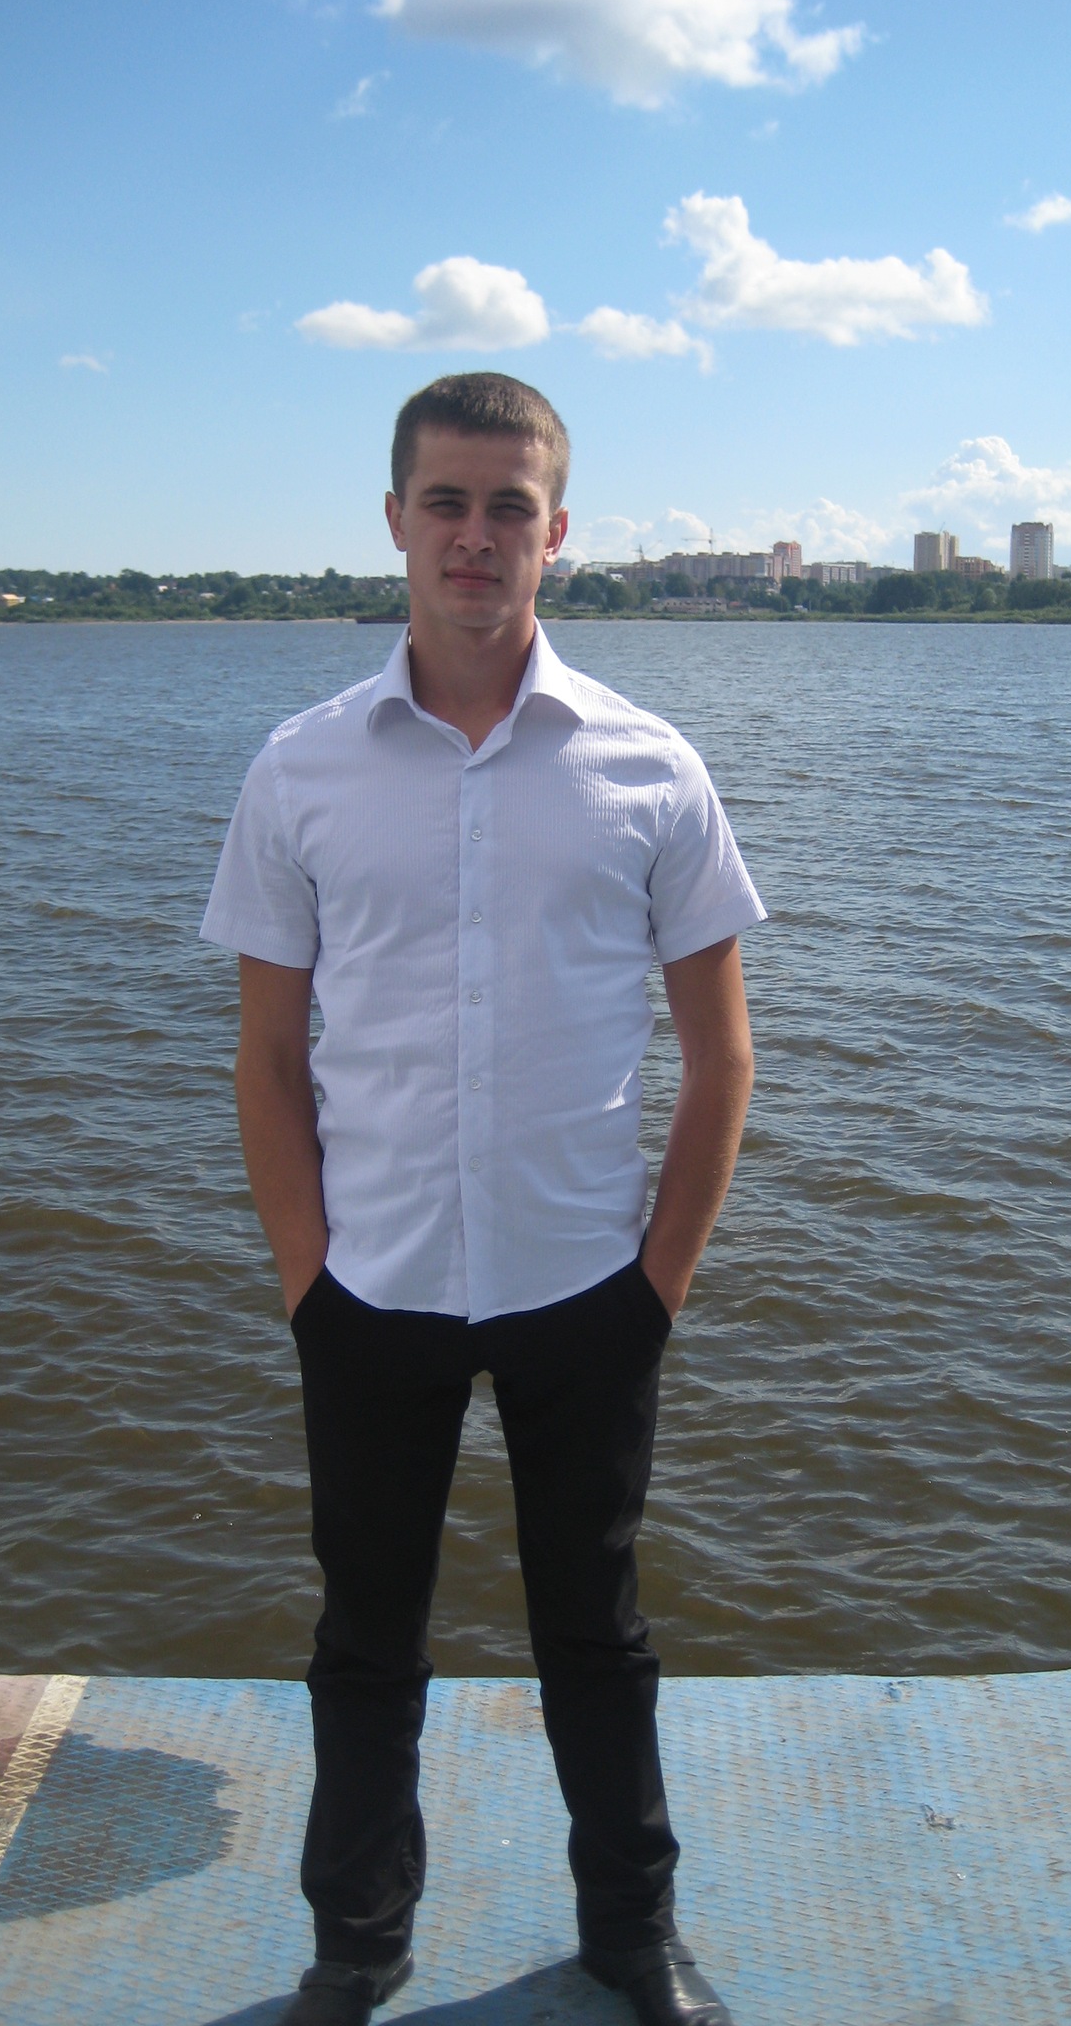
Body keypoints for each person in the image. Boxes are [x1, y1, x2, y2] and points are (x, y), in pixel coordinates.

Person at [201, 372, 764, 2026]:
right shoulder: (302, 769)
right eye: (444, 501)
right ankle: (356, 1945)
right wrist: (307, 1278)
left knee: (598, 1629)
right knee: (365, 1639)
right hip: (370, 1289)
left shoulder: (651, 766)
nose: (474, 535)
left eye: (508, 505)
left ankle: (630, 1933)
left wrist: (658, 1287)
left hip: (586, 1286)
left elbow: (722, 1058)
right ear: (394, 520)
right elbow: (265, 1058)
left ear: (557, 532)